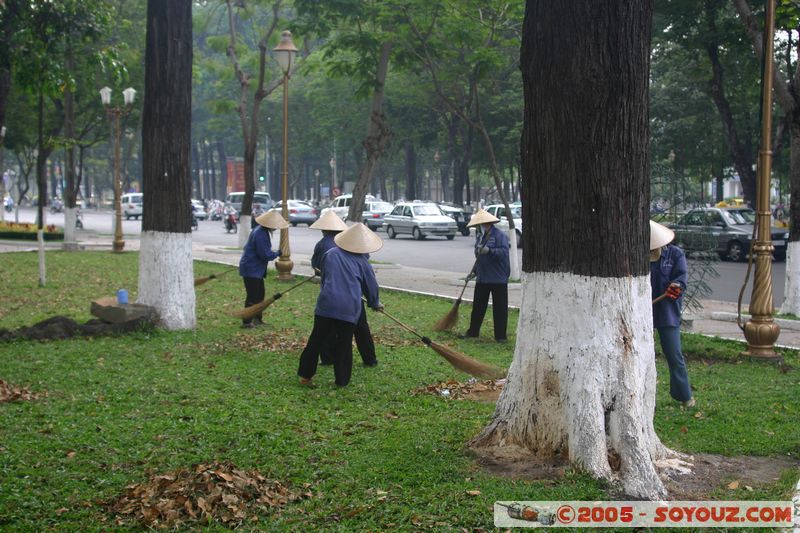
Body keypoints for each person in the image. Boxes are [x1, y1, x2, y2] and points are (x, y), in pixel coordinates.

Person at [298, 223, 383, 387]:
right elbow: (371, 288)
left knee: (316, 340)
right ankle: (341, 381)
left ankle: (305, 376)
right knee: (344, 344)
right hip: (349, 308)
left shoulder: (330, 254)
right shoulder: (363, 263)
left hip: (326, 304)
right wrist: (375, 303)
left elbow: (325, 277)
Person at [309, 212, 379, 367]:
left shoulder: (325, 247)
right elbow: (369, 281)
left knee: (327, 331)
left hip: (329, 298)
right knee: (360, 328)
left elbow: (318, 267)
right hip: (354, 298)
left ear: (324, 230)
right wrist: (374, 302)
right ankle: (370, 360)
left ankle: (328, 359)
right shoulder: (359, 251)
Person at [650, 220, 695, 408]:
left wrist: (676, 286)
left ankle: (684, 396)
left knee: (674, 355)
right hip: (644, 311)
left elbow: (681, 278)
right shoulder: (636, 254)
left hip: (668, 311)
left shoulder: (675, 254)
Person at [460, 208, 510, 342]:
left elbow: (504, 253)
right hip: (483, 278)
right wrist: (474, 272)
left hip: (498, 279)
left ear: (486, 223)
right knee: (478, 307)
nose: (477, 227)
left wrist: (489, 251)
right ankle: (473, 332)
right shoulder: (480, 237)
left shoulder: (500, 236)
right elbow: (479, 258)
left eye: (478, 225)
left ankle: (500, 336)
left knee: (500, 309)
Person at [237, 210, 288, 328]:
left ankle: (256, 319)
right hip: (252, 269)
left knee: (259, 295)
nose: (276, 227)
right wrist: (277, 253)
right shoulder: (261, 234)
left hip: (254, 269)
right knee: (254, 296)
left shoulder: (260, 231)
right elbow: (264, 254)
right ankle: (247, 321)